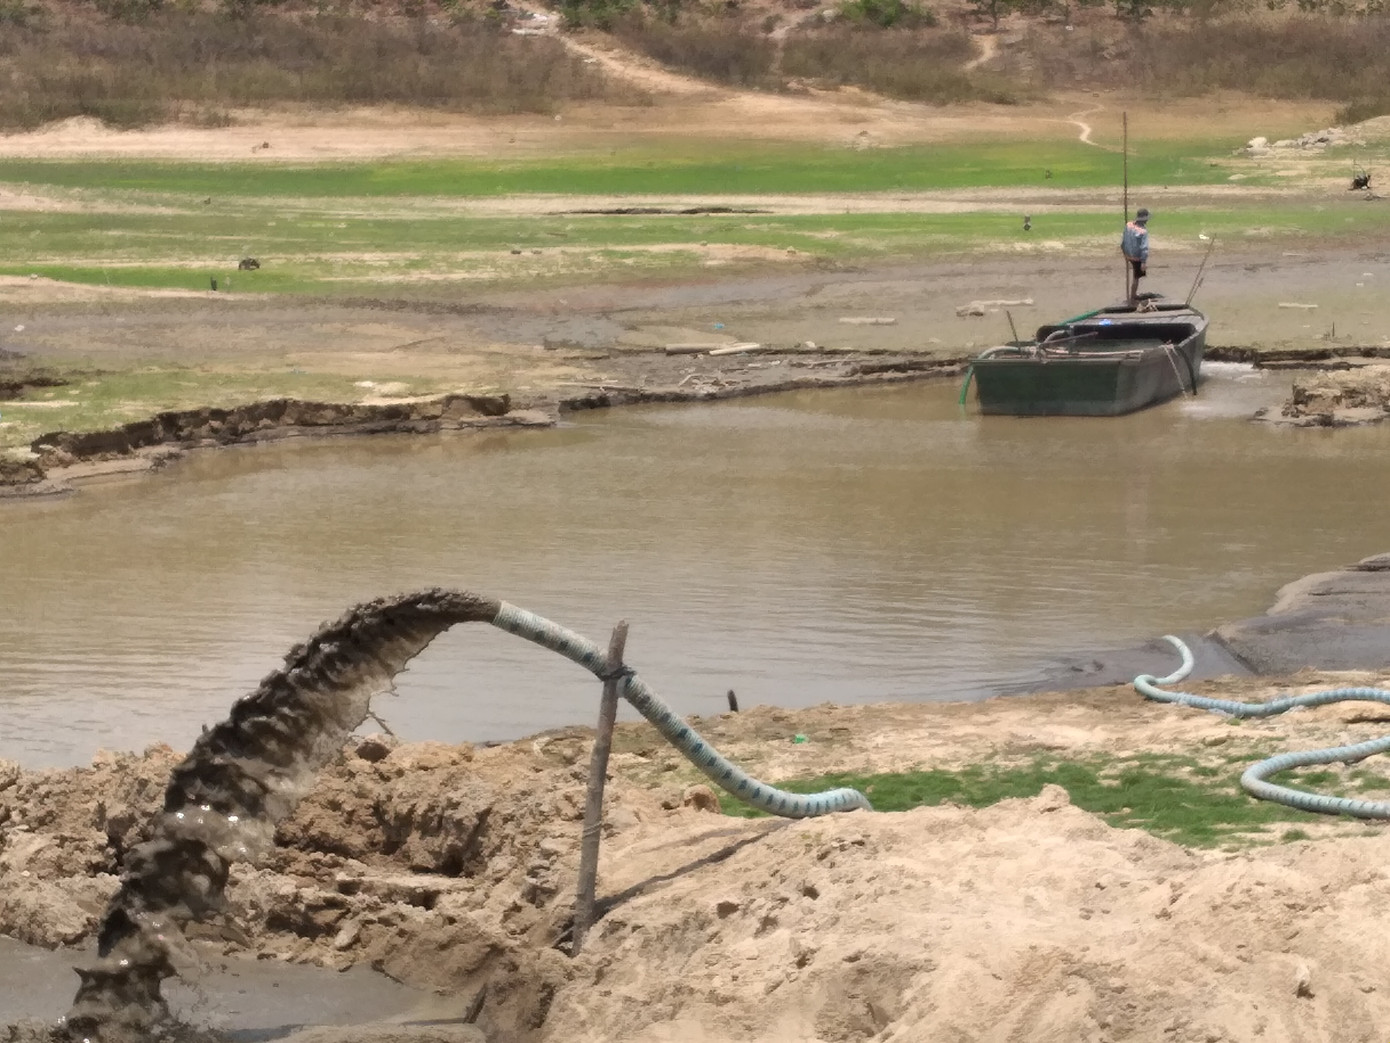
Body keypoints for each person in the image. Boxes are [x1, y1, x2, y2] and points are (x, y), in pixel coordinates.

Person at [1122, 207, 1150, 303]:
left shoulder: (1128, 225)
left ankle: (1133, 295)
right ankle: (1133, 296)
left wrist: (1124, 253)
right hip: (1137, 257)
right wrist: (1143, 262)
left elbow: (1124, 240)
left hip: (1128, 254)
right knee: (1136, 277)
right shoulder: (1143, 231)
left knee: (1135, 276)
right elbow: (1144, 248)